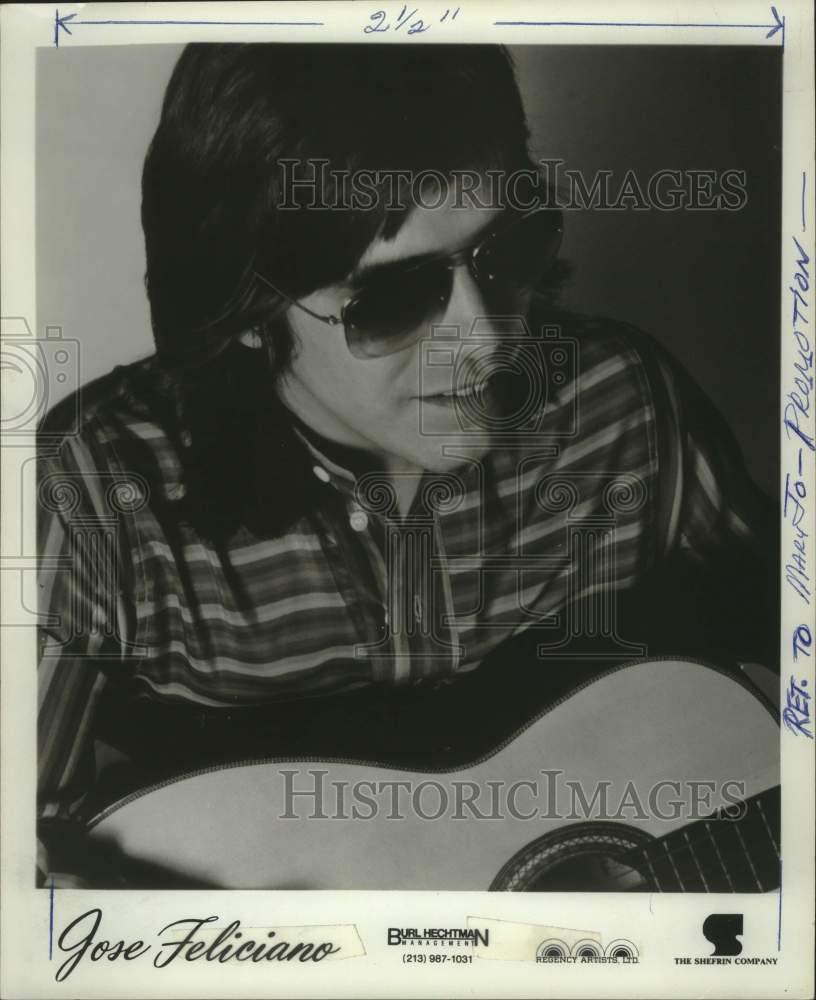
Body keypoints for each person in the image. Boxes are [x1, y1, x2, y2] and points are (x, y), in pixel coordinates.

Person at [37, 43, 777, 887]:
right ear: (242, 308)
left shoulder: (623, 408)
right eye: (390, 298)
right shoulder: (93, 495)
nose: (490, 343)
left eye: (507, 253)